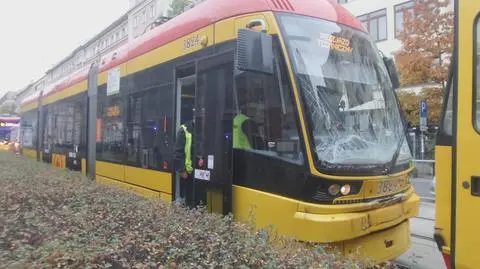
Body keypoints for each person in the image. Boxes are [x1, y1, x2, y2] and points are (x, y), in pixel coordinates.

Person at [174, 119, 194, 206]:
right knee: (189, 197)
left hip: (198, 170)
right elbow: (178, 152)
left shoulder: (202, 128)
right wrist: (182, 170)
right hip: (188, 171)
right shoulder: (183, 130)